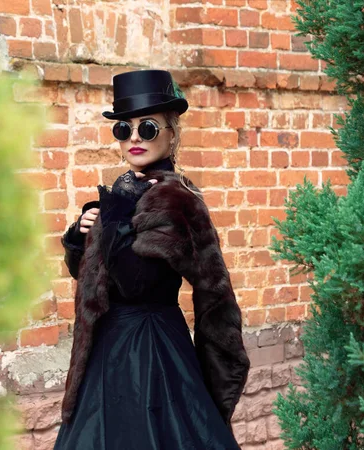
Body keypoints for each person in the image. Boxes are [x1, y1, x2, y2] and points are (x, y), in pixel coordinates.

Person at [54, 70, 250, 450]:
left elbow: (138, 282)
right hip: (106, 353)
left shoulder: (176, 199)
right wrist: (79, 237)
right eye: (123, 130)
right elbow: (93, 279)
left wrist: (111, 221)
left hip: (152, 354)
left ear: (172, 133)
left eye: (147, 128)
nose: (133, 139)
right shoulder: (127, 193)